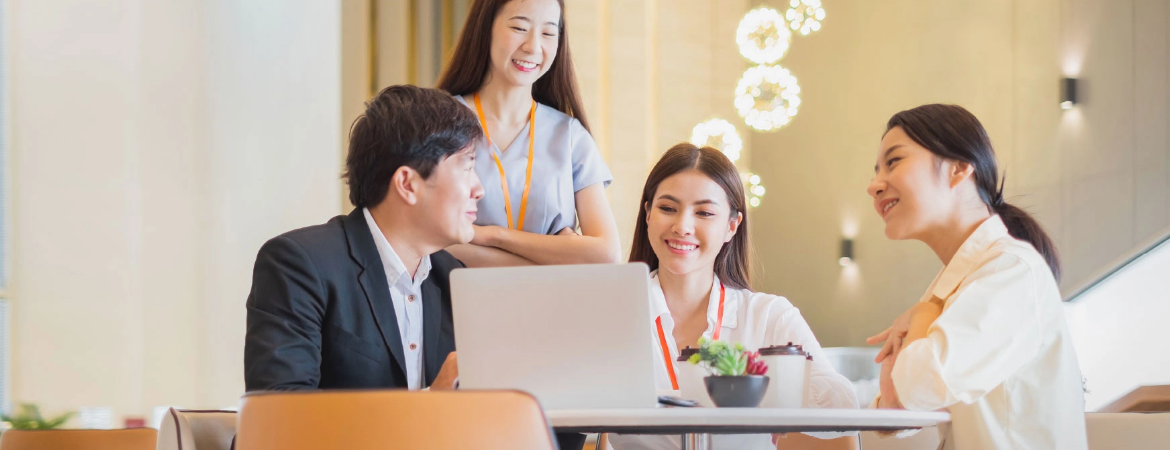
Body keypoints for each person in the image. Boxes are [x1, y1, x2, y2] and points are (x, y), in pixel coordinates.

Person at [865, 104, 1087, 449]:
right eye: (877, 170)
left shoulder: (1011, 271)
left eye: (894, 162)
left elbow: (918, 387)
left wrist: (923, 313)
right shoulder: (958, 282)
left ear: (958, 168)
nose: (874, 185)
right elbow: (895, 409)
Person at [609, 144, 858, 450]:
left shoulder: (769, 316)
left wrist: (763, 391)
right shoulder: (611, 314)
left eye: (704, 212)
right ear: (647, 214)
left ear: (731, 225)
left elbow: (843, 409)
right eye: (668, 208)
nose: (682, 226)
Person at [243, 85, 482, 393]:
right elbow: (279, 415)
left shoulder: (453, 278)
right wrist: (431, 404)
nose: (479, 189)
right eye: (468, 167)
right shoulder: (300, 264)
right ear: (408, 184)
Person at [437, 0, 620, 267]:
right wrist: (556, 255)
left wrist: (489, 236)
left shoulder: (570, 136)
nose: (533, 47)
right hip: (454, 303)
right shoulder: (440, 121)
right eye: (520, 28)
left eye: (547, 33)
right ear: (485, 28)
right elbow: (432, 244)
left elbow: (607, 254)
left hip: (552, 306)